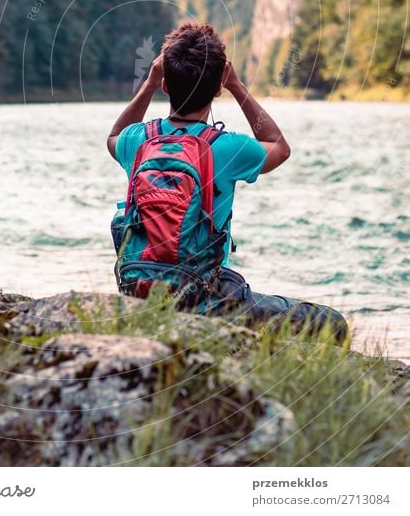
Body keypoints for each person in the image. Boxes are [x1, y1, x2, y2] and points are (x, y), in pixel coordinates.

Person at [107, 21, 349, 343]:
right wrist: (238, 86)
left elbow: (112, 136)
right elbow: (279, 146)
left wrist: (150, 83)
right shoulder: (227, 146)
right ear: (218, 87)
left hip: (138, 289)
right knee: (332, 322)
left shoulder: (137, 140)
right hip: (204, 299)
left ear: (166, 83)